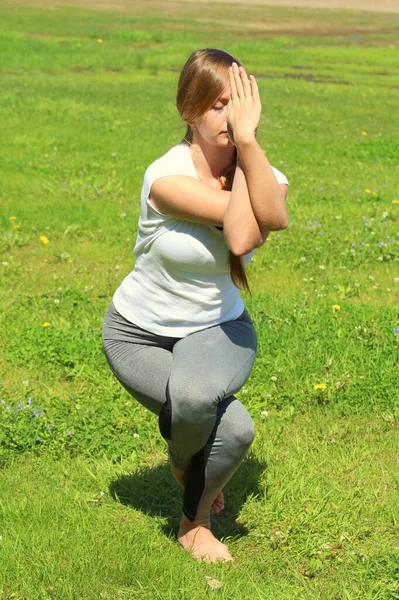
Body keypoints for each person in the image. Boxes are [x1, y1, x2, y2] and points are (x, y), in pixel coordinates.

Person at [102, 48, 289, 563]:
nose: (228, 117)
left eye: (238, 104)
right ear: (189, 109)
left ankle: (193, 521)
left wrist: (249, 146)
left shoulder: (254, 163)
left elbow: (272, 219)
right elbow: (240, 234)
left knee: (222, 420)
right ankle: (190, 463)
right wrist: (252, 182)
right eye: (216, 105)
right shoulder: (165, 178)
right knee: (211, 417)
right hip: (136, 334)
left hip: (219, 330)